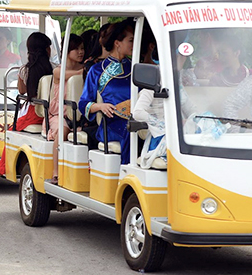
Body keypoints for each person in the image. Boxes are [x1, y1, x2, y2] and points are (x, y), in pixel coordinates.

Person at [79, 19, 135, 164]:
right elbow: (83, 103)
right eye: (131, 40)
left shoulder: (135, 67)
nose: (134, 44)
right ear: (118, 43)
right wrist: (100, 106)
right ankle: (126, 173)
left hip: (138, 118)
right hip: (111, 123)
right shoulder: (97, 70)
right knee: (132, 130)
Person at [47, 34, 85, 184]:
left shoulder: (83, 68)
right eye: (76, 49)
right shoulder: (59, 71)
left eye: (82, 48)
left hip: (78, 113)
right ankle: (55, 171)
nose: (80, 52)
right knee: (62, 131)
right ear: (67, 51)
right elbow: (74, 76)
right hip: (59, 114)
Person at [132, 48, 167, 170]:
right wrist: (162, 125)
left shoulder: (178, 84)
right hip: (161, 136)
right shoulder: (152, 86)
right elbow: (137, 113)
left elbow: (191, 109)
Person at [12, 32, 54, 131]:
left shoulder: (24, 70)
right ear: (47, 50)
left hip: (35, 112)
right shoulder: (55, 68)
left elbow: (22, 91)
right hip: (53, 111)